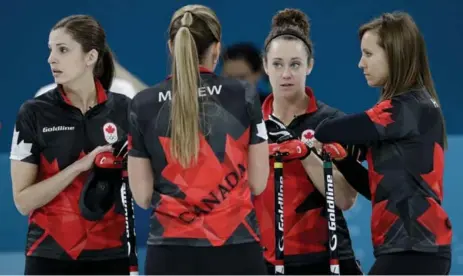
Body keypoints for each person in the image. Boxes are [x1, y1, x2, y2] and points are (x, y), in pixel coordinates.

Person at [126, 4, 269, 275]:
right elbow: (258, 183)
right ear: (216, 49)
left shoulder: (142, 104)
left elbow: (143, 197)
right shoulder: (245, 95)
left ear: (172, 46)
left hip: (169, 254)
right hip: (236, 248)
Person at [314, 12, 452, 275]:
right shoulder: (410, 109)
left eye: (368, 54)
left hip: (414, 248)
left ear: (394, 54)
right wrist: (343, 160)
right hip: (412, 249)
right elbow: (377, 189)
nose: (360, 64)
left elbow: (327, 129)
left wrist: (324, 137)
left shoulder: (406, 108)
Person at [10, 14, 133, 275]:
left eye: (62, 50)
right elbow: (23, 201)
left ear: (91, 57)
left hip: (111, 254)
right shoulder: (33, 113)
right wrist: (80, 166)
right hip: (49, 255)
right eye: (51, 49)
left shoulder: (124, 109)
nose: (51, 58)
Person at [252, 8, 364, 275]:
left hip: (327, 258)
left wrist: (304, 152)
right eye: (277, 64)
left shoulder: (334, 122)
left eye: (295, 64)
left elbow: (347, 199)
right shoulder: (250, 124)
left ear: (309, 65)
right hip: (267, 259)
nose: (286, 74)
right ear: (265, 66)